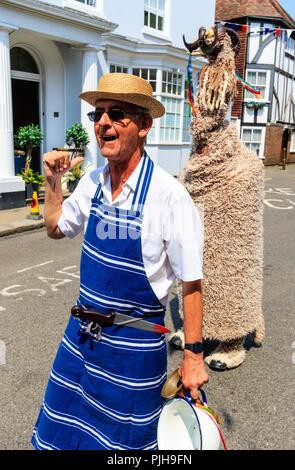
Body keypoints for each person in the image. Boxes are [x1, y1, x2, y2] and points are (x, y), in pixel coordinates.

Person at [31, 73, 208, 450]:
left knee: (124, 447)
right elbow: (55, 228)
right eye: (99, 114)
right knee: (65, 436)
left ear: (144, 126)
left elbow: (191, 284)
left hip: (134, 353)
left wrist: (193, 357)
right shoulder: (91, 183)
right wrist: (51, 182)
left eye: (118, 115)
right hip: (81, 341)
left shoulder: (169, 197)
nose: (104, 124)